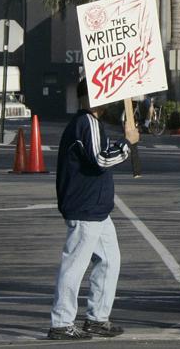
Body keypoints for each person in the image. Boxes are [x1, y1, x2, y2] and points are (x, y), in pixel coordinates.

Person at [47, 80, 139, 340]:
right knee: (75, 264)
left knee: (110, 260)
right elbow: (101, 159)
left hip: (95, 208)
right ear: (86, 96)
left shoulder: (91, 123)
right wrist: (127, 143)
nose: (105, 98)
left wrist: (122, 143)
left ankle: (97, 318)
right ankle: (62, 322)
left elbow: (98, 155)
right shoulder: (86, 122)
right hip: (85, 207)